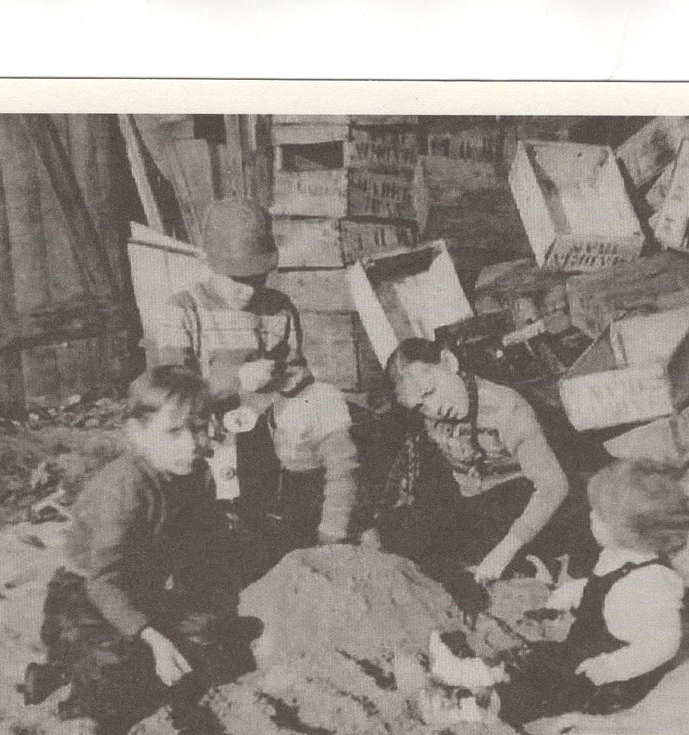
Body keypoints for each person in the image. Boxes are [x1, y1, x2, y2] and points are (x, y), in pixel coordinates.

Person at [23, 366, 262, 735]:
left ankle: (57, 671)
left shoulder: (193, 475)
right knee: (117, 662)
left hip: (143, 588)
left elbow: (198, 545)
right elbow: (104, 579)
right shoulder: (126, 488)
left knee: (202, 640)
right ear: (136, 433)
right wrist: (152, 636)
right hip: (86, 593)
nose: (191, 444)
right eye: (173, 433)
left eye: (199, 429)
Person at [495, 458, 689, 726]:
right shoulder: (617, 555)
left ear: (628, 534)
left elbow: (663, 644)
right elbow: (598, 585)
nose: (590, 515)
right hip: (586, 646)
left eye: (599, 515)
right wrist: (569, 594)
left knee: (548, 694)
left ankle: (493, 705)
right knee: (537, 660)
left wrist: (609, 668)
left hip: (615, 678)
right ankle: (496, 678)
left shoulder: (652, 584)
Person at [377, 339, 581, 593]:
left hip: (522, 499)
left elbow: (554, 487)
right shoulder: (432, 419)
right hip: (478, 505)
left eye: (430, 392)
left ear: (449, 362)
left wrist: (506, 549)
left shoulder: (506, 407)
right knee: (402, 527)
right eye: (420, 406)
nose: (435, 408)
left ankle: (531, 562)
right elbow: (403, 469)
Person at [159, 198, 301, 399]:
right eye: (238, 279)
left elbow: (296, 376)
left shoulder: (279, 310)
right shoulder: (184, 310)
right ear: (207, 262)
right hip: (202, 422)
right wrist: (235, 377)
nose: (250, 290)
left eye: (259, 278)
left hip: (263, 420)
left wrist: (282, 378)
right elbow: (172, 389)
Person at [225, 350, 359, 550]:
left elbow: (342, 469)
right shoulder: (279, 398)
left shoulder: (323, 399)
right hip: (291, 494)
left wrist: (333, 527)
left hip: (321, 496)